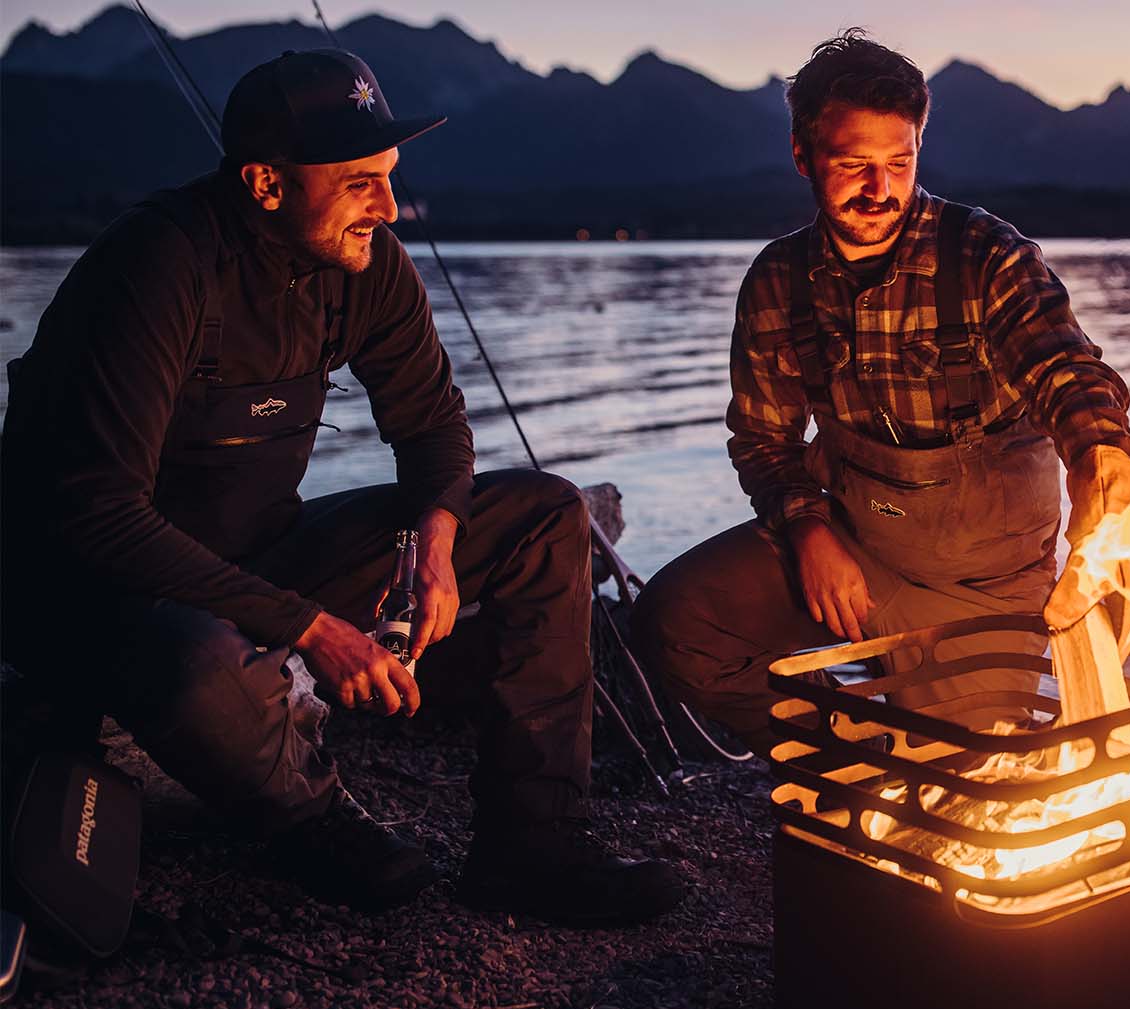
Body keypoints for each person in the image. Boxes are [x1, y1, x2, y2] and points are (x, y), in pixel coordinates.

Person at [0, 49, 683, 923]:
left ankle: (535, 843)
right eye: (361, 182)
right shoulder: (157, 268)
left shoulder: (366, 267)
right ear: (265, 183)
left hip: (254, 555)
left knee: (548, 515)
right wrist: (313, 630)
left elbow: (435, 428)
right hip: (104, 593)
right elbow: (99, 517)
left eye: (390, 178)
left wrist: (435, 541)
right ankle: (315, 816)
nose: (389, 207)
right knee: (198, 659)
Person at [634, 32, 1130, 755]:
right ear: (803, 156)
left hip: (985, 581)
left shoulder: (986, 255)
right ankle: (853, 757)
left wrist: (1103, 453)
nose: (880, 190)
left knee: (975, 777)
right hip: (850, 542)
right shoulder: (778, 281)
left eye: (898, 163)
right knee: (679, 620)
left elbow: (1065, 367)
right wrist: (807, 527)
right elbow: (763, 441)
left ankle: (919, 752)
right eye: (853, 166)